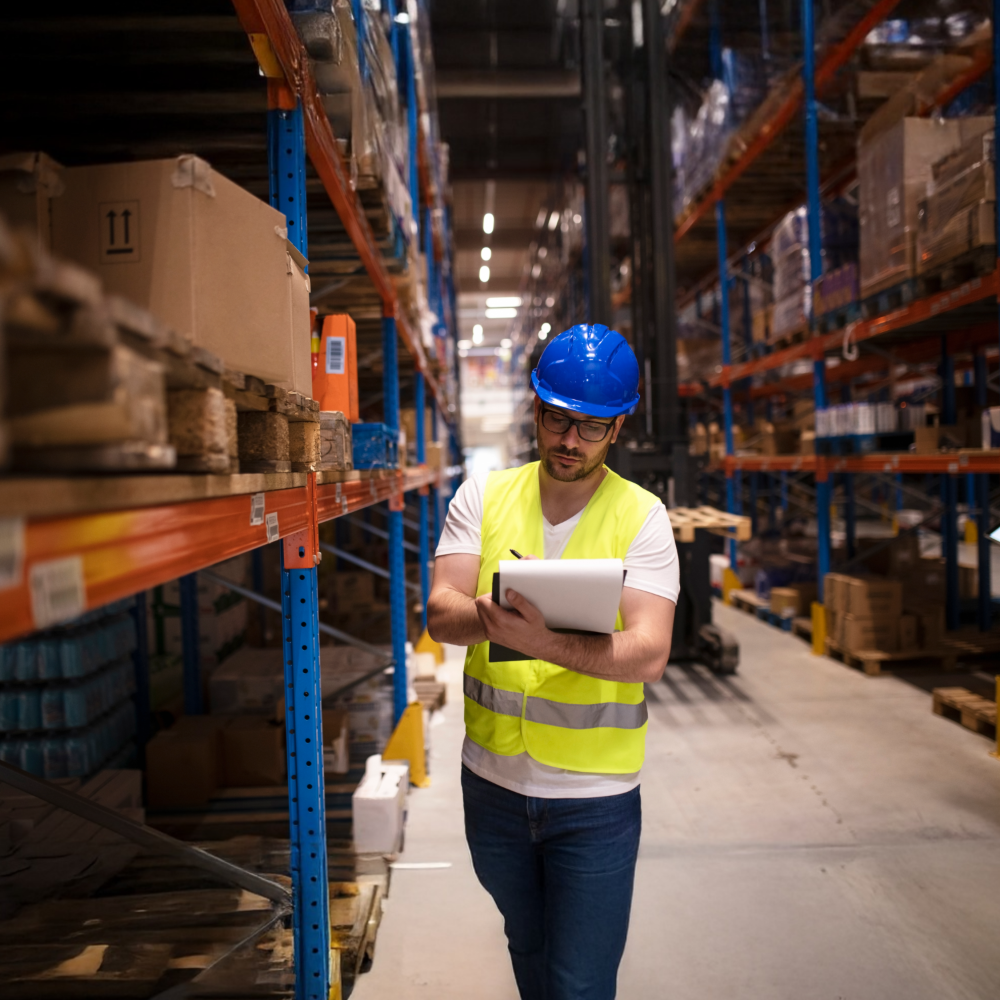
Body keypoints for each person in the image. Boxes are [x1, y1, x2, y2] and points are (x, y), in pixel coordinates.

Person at [427, 324, 680, 1000]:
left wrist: (540, 639)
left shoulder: (644, 517)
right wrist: (492, 608)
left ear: (619, 427)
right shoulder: (483, 496)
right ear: (535, 411)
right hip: (493, 788)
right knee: (528, 946)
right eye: (556, 419)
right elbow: (439, 611)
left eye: (591, 428)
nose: (570, 441)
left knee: (580, 984)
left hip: (592, 802)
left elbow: (650, 652)